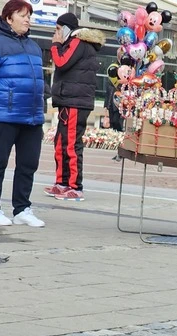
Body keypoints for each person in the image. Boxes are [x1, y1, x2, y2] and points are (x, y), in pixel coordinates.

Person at [0, 0, 46, 228]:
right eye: (22, 15)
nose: (27, 20)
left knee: (28, 164)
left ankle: (22, 209)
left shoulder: (34, 47)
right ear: (8, 18)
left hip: (32, 117)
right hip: (4, 116)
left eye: (29, 16)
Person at [45, 13, 104, 202]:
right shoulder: (74, 43)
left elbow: (61, 62)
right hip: (68, 100)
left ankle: (75, 186)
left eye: (58, 29)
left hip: (75, 102)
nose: (56, 33)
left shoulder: (78, 42)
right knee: (60, 142)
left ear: (67, 28)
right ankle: (62, 183)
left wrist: (55, 45)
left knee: (70, 144)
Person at [103, 76, 123, 162]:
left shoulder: (120, 84)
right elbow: (107, 95)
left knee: (117, 123)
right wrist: (105, 106)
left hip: (118, 108)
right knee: (114, 125)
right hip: (110, 107)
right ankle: (118, 151)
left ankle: (121, 150)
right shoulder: (110, 84)